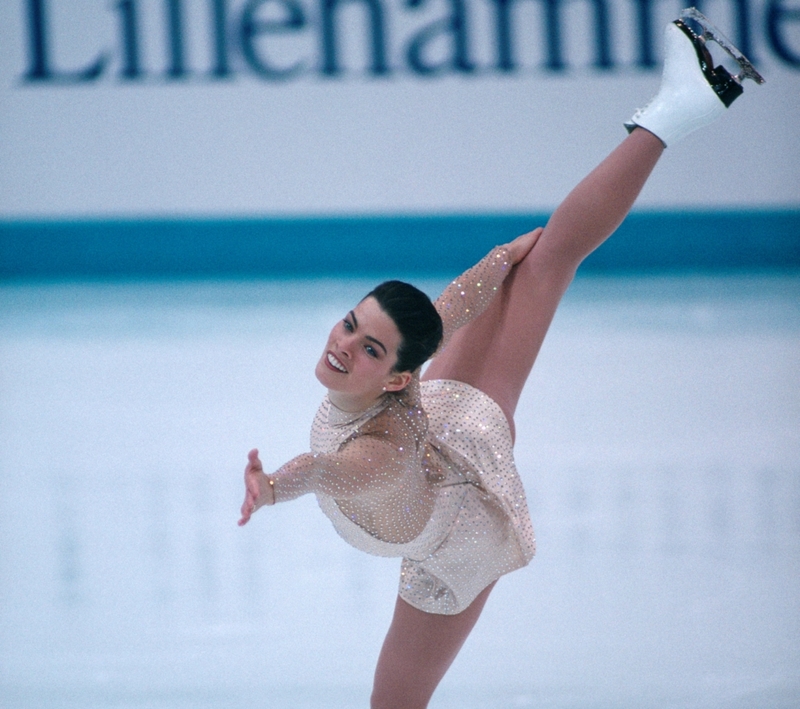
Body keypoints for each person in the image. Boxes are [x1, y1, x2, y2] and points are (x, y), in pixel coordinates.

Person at [237, 10, 762, 709]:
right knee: (539, 263)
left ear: (399, 376)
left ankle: (681, 106)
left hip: (460, 531)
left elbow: (321, 469)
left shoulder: (377, 451)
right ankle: (681, 107)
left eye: (367, 346)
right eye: (349, 325)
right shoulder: (399, 379)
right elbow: (446, 312)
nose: (341, 345)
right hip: (439, 457)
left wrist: (271, 486)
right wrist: (497, 261)